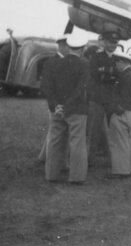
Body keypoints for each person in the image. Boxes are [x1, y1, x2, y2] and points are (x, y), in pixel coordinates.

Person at [45, 36, 89, 184]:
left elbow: (46, 87)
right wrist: (67, 106)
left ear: (68, 47)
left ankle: (51, 174)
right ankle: (76, 177)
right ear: (83, 49)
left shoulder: (54, 63)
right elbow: (80, 89)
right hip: (76, 110)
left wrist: (56, 105)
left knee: (55, 141)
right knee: (77, 142)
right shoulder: (85, 65)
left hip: (56, 110)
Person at [105, 52, 131, 179]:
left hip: (122, 112)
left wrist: (114, 107)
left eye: (116, 63)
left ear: (122, 62)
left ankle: (121, 171)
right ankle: (128, 168)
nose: (115, 66)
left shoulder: (124, 77)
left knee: (119, 142)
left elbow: (123, 97)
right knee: (127, 141)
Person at [87, 31, 120, 164]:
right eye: (110, 42)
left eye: (115, 43)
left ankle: (113, 160)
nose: (113, 45)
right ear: (104, 42)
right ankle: (90, 160)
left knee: (114, 130)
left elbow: (119, 75)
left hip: (112, 99)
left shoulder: (119, 57)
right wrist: (110, 74)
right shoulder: (96, 56)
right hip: (98, 98)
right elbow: (94, 73)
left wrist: (104, 71)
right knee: (94, 130)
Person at [38, 34, 69, 163]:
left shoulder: (69, 61)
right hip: (56, 104)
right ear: (62, 46)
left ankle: (44, 157)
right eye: (69, 46)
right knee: (56, 134)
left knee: (56, 132)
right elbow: (46, 87)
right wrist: (54, 105)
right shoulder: (51, 63)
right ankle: (52, 163)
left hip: (65, 103)